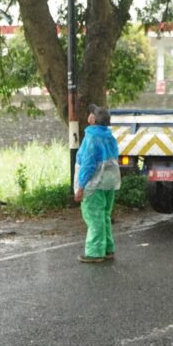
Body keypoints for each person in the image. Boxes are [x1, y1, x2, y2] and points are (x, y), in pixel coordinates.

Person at [74, 104, 121, 263]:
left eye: (91, 114)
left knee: (94, 218)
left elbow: (88, 164)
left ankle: (95, 253)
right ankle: (107, 249)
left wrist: (81, 187)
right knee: (104, 216)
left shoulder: (91, 138)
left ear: (92, 119)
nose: (89, 115)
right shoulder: (110, 137)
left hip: (93, 183)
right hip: (109, 182)